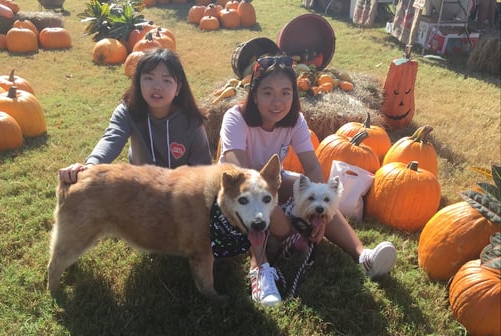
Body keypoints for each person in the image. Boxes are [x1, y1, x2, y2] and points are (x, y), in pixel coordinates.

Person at [218, 55, 397, 307]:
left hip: (272, 185)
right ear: (254, 94)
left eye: (285, 93)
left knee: (314, 194)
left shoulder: (295, 121)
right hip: (238, 193)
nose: (277, 101)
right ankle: (261, 270)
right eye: (268, 92)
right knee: (262, 217)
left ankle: (363, 256)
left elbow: (312, 165)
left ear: (294, 95)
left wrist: (321, 210)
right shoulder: (235, 118)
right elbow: (240, 169)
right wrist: (275, 213)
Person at [59, 48, 212, 183]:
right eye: (149, 78)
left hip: (180, 192)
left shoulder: (191, 121)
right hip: (140, 188)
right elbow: (112, 138)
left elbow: (203, 171)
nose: (157, 87)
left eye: (166, 80)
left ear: (178, 88)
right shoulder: (128, 111)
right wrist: (91, 165)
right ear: (138, 82)